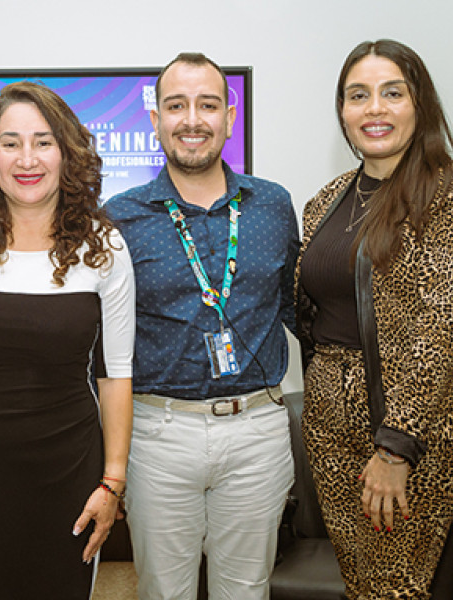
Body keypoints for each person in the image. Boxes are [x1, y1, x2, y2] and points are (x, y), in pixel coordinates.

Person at [295, 39, 453, 599]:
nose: (374, 109)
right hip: (330, 423)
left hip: (411, 428)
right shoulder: (328, 199)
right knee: (363, 585)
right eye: (358, 95)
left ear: (419, 104)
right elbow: (312, 309)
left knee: (394, 589)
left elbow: (444, 325)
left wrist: (395, 445)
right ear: (342, 110)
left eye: (392, 93)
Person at [0, 81, 135, 599]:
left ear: (67, 154)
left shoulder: (102, 247)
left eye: (44, 142)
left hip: (67, 472)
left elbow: (116, 375)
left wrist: (112, 484)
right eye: (11, 142)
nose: (28, 158)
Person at [106, 53, 299, 599]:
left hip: (256, 431)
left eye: (208, 104)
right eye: (176, 105)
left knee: (246, 590)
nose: (192, 119)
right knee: (164, 592)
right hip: (158, 432)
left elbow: (296, 309)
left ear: (229, 117)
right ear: (155, 120)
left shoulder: (273, 206)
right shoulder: (119, 217)